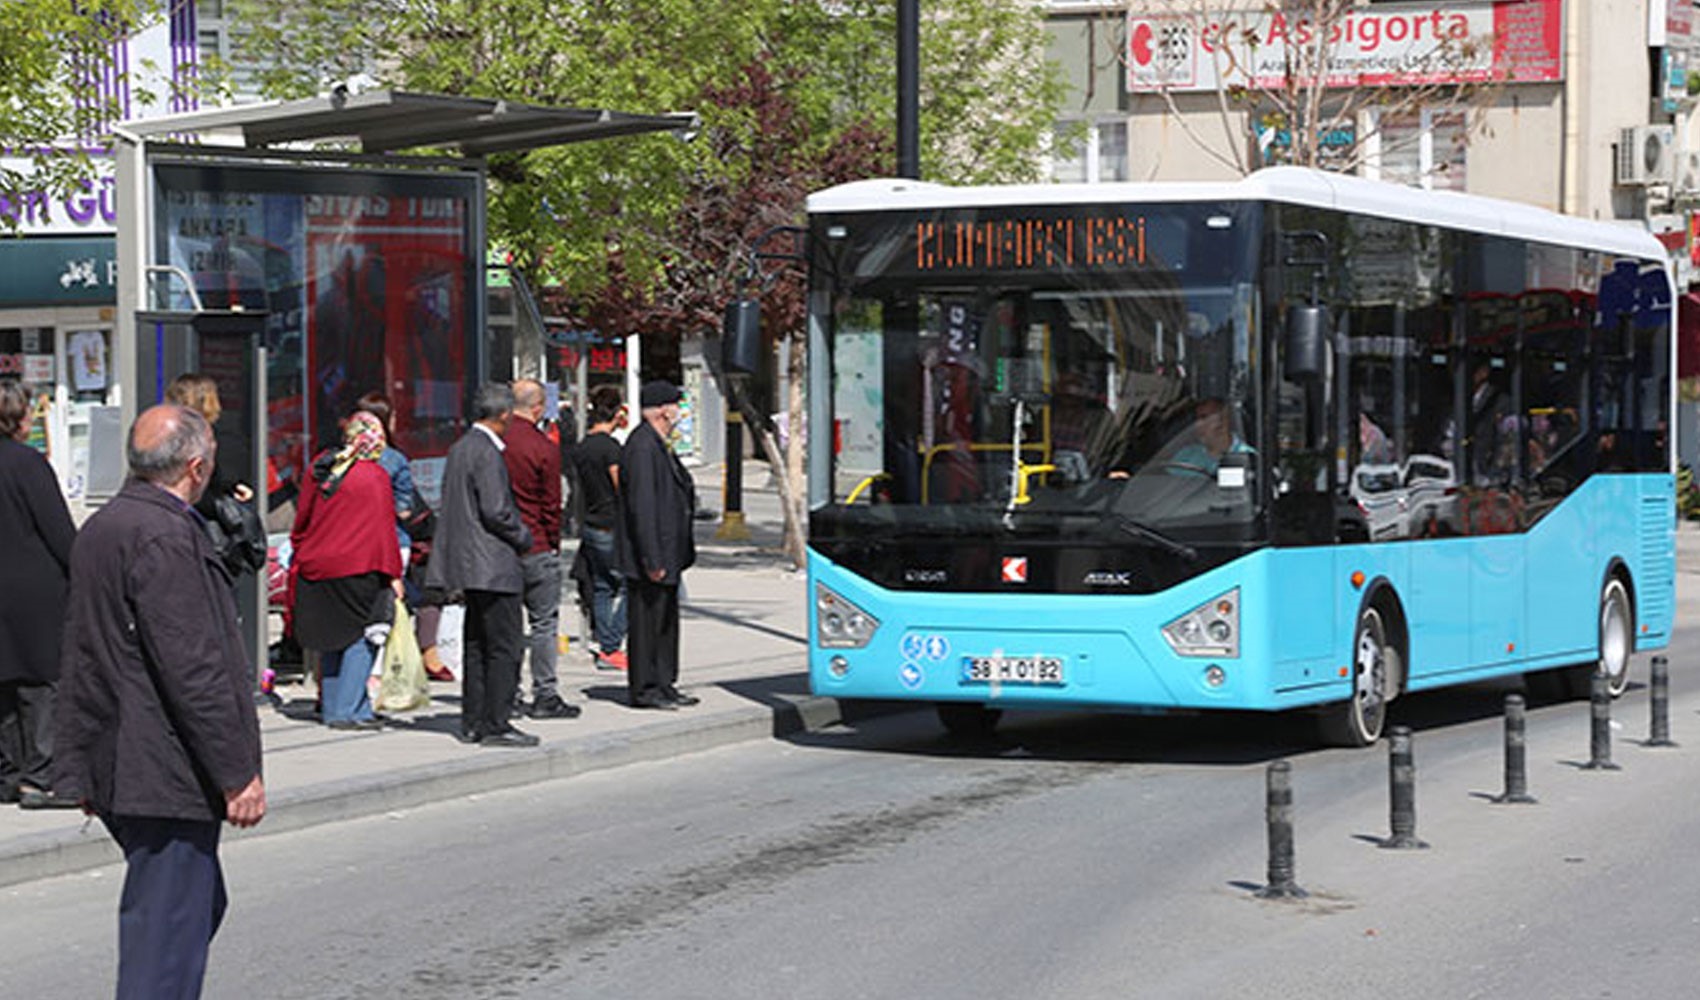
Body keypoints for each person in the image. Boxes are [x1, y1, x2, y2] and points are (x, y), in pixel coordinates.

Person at [54, 404, 265, 1000]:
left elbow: (84, 650)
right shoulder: (165, 536)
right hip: (163, 764)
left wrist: (87, 765)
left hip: (128, 755)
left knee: (189, 910)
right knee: (167, 935)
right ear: (195, 467)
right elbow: (193, 668)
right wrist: (236, 774)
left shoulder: (108, 525)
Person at [428, 383, 539, 747]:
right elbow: (496, 510)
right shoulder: (487, 453)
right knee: (504, 646)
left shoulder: (460, 448)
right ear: (505, 415)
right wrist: (523, 537)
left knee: (476, 644)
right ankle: (496, 722)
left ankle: (474, 719)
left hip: (468, 563)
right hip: (492, 563)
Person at [289, 411, 404, 730]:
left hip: (319, 564)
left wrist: (302, 549)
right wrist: (394, 574)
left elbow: (303, 519)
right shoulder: (375, 476)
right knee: (362, 637)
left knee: (332, 638)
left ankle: (337, 706)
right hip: (361, 565)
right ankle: (349, 710)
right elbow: (384, 530)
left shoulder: (321, 468)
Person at [0, 381, 78, 809]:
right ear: (19, 418)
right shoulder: (28, 464)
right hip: (35, 591)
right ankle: (39, 775)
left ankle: (8, 774)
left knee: (5, 684)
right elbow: (59, 532)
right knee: (42, 683)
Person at [615, 380, 699, 710]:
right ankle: (645, 687)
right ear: (663, 409)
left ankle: (665, 682)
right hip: (651, 554)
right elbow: (642, 506)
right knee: (647, 623)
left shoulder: (659, 443)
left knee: (665, 621)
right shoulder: (642, 446)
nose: (680, 412)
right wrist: (652, 556)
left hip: (669, 550)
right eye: (677, 405)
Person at [503, 378, 581, 719]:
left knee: (506, 625)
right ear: (537, 408)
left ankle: (509, 692)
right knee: (543, 624)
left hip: (502, 548)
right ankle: (545, 692)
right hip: (535, 543)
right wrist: (552, 540)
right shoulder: (543, 446)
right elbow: (551, 503)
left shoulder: (496, 441)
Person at [570, 385, 629, 671]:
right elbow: (620, 486)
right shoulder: (611, 448)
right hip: (612, 522)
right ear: (617, 413)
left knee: (603, 587)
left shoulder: (582, 447)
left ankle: (608, 648)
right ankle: (611, 642)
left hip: (591, 521)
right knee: (632, 585)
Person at [354, 391, 419, 568]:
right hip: (392, 542)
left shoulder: (342, 460)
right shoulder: (395, 459)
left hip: (354, 544)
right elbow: (403, 510)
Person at [1164, 397, 1252, 476]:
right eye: (1196, 419)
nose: (1197, 425)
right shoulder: (1185, 455)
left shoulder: (1249, 457)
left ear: (1222, 421)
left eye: (1204, 417)